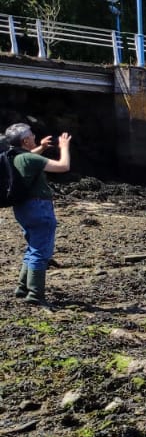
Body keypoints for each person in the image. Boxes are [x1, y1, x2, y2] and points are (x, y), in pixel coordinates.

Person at [5, 124, 71, 306]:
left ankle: (22, 288)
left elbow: (29, 157)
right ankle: (35, 294)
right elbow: (63, 166)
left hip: (22, 208)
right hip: (39, 207)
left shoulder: (14, 156)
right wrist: (64, 147)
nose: (34, 136)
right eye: (31, 135)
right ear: (25, 140)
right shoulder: (29, 158)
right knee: (41, 252)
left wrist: (41, 147)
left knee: (33, 247)